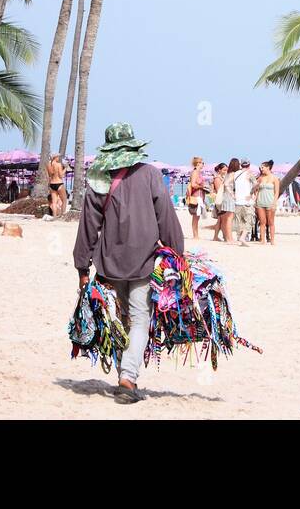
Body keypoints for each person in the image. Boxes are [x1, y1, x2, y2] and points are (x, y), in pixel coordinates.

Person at [73, 122, 184, 402]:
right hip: (144, 260)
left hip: (110, 262)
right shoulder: (150, 174)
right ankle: (128, 379)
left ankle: (125, 372)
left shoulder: (99, 179)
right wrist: (177, 255)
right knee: (139, 318)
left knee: (124, 319)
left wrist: (82, 266)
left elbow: (88, 225)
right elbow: (166, 216)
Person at [254, 160, 279, 245]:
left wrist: (274, 203)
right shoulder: (260, 178)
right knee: (262, 222)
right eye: (261, 167)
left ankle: (272, 240)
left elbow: (276, 192)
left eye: (262, 167)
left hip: (270, 202)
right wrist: (255, 199)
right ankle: (262, 240)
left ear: (268, 168)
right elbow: (255, 190)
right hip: (260, 202)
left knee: (271, 222)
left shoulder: (275, 178)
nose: (261, 169)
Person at [232, 157, 255, 247]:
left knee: (240, 221)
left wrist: (233, 194)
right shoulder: (249, 173)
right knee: (248, 221)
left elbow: (229, 185)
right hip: (247, 202)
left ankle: (241, 239)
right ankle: (243, 237)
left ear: (241, 165)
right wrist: (251, 193)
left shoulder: (235, 174)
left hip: (237, 201)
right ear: (249, 165)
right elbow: (256, 184)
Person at [186, 157, 206, 240]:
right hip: (195, 196)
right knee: (195, 216)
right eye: (202, 163)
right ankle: (195, 235)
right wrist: (202, 187)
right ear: (198, 163)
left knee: (197, 217)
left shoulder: (198, 172)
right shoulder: (195, 172)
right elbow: (193, 184)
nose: (203, 164)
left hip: (199, 196)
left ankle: (196, 234)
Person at [211, 162, 231, 242]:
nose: (225, 172)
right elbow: (220, 190)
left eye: (226, 170)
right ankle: (221, 236)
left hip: (222, 200)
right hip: (220, 200)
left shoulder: (221, 178)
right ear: (219, 170)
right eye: (224, 170)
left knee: (220, 219)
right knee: (222, 219)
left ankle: (217, 236)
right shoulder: (217, 179)